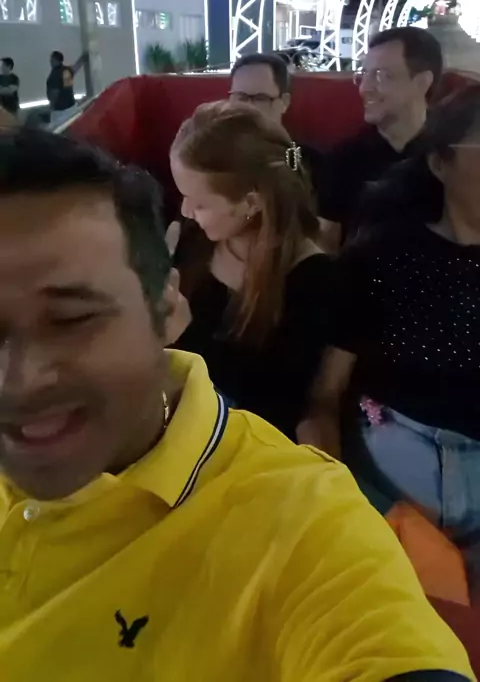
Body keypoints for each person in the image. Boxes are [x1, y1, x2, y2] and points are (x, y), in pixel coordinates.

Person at [0, 126, 472, 682]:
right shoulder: (198, 250)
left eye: (71, 319)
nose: (19, 380)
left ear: (165, 306)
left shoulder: (299, 525)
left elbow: (377, 637)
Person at [311, 85, 480, 546]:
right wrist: (339, 493)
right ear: (440, 162)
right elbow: (325, 395)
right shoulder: (382, 254)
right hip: (391, 480)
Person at [169, 101, 333, 441]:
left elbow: (275, 403)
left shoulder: (313, 279)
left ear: (251, 204)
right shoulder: (196, 239)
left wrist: (185, 332)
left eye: (199, 203)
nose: (185, 211)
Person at [317, 27, 444, 251]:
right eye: (364, 74)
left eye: (382, 76)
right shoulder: (344, 160)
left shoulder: (453, 156)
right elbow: (327, 243)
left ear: (422, 82)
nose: (365, 88)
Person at [230, 53, 324, 209]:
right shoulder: (209, 155)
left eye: (260, 98)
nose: (248, 107)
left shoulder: (312, 164)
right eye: (240, 97)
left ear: (284, 102)